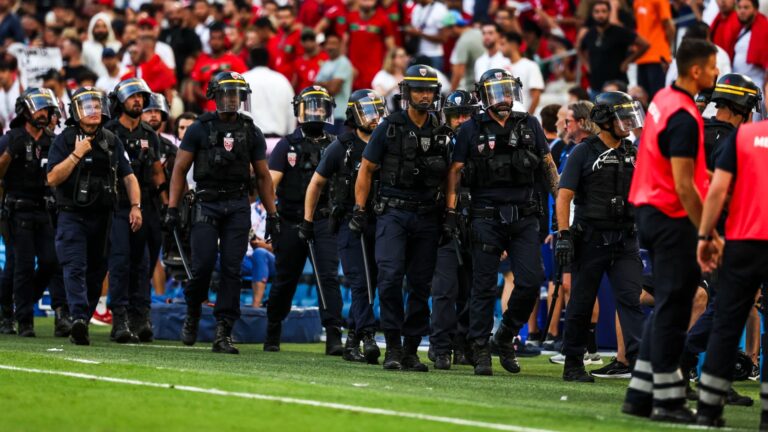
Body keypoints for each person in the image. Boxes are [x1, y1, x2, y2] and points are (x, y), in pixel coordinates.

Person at [622, 38, 719, 423]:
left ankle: (640, 394)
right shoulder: (682, 114)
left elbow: (681, 169)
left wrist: (714, 178)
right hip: (672, 216)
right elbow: (683, 185)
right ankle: (668, 401)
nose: (715, 73)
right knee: (674, 310)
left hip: (649, 210)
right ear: (696, 71)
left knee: (668, 307)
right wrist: (706, 231)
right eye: (712, 67)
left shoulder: (663, 99)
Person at [446, 69, 560, 376]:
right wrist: (452, 213)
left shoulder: (530, 124)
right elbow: (455, 172)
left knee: (531, 280)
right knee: (482, 286)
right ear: (483, 96)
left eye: (508, 91)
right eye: (497, 92)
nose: (504, 98)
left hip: (524, 215)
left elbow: (548, 165)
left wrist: (561, 210)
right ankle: (480, 348)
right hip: (484, 216)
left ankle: (506, 334)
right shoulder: (470, 129)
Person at [166, 71, 277, 354]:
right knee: (202, 265)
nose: (232, 100)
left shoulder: (251, 131)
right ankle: (193, 309)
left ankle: (224, 330)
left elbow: (263, 176)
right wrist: (172, 208)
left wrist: (273, 214)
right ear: (214, 96)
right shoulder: (199, 128)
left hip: (238, 204)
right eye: (227, 94)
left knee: (232, 268)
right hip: (206, 202)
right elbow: (179, 170)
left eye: (237, 95)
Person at [354, 64, 449, 372]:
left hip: (428, 214)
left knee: (421, 285)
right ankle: (393, 345)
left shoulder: (441, 131)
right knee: (390, 277)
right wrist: (359, 208)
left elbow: (451, 176)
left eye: (429, 90)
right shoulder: (389, 127)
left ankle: (411, 349)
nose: (424, 95)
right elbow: (366, 169)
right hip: (393, 212)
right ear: (407, 93)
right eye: (418, 89)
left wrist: (450, 212)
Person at [679, 73, 761, 405]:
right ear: (744, 106)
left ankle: (703, 372)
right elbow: (723, 192)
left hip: (688, 227)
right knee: (726, 307)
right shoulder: (736, 141)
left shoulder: (697, 132)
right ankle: (687, 363)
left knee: (721, 306)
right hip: (729, 233)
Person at [555, 91, 646, 383]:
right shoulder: (583, 151)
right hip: (590, 238)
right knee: (581, 303)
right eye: (624, 116)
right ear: (605, 119)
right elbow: (564, 195)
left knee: (631, 299)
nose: (630, 122)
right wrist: (564, 235)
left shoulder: (634, 152)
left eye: (632, 115)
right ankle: (573, 363)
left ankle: (639, 362)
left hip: (626, 238)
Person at [47, 87, 142, 346]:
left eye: (97, 105)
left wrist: (135, 205)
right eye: (88, 106)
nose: (94, 110)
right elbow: (52, 177)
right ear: (77, 112)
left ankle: (82, 320)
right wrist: (78, 153)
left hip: (104, 217)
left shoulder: (112, 139)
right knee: (75, 266)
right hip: (72, 215)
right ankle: (78, 317)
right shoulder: (65, 139)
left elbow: (129, 175)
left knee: (98, 271)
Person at [693, 118, 768, 427]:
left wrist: (705, 235)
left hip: (744, 241)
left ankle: (709, 410)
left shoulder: (744, 136)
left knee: (726, 323)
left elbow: (718, 190)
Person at [304, 89, 388, 363]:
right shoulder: (341, 146)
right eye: (368, 111)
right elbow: (316, 183)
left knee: (373, 281)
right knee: (359, 281)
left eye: (377, 110)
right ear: (354, 115)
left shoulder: (388, 143)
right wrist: (307, 220)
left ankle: (352, 339)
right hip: (348, 223)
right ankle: (366, 335)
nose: (374, 117)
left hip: (381, 220)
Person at [265, 86, 344, 356]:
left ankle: (333, 334)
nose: (315, 112)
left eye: (320, 106)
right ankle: (273, 328)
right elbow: (271, 182)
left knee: (328, 277)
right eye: (310, 106)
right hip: (291, 218)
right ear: (299, 109)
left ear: (328, 110)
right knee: (286, 278)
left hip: (324, 218)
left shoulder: (336, 142)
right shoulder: (287, 144)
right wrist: (270, 215)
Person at [0, 88, 69, 338]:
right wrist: (10, 153)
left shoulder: (52, 141)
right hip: (16, 209)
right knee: (21, 265)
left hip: (44, 209)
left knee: (51, 261)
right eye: (38, 108)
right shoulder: (11, 139)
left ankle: (23, 302)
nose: (43, 113)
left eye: (46, 109)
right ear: (25, 111)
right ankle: (22, 319)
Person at [103, 78, 166, 344]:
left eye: (141, 96)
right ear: (120, 101)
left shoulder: (150, 135)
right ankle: (119, 318)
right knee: (120, 261)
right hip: (116, 205)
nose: (138, 100)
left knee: (143, 263)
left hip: (148, 206)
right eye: (132, 96)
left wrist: (168, 207)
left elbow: (156, 172)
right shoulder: (108, 131)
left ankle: (141, 316)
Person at [429, 89, 478, 369]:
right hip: (443, 220)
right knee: (444, 287)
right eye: (455, 115)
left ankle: (464, 343)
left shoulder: (484, 143)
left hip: (478, 218)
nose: (460, 120)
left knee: (473, 288)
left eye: (466, 114)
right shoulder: (436, 143)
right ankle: (441, 344)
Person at [141, 92, 174, 301]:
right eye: (148, 111)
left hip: (158, 207)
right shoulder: (124, 138)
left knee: (154, 256)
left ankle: (158, 301)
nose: (153, 116)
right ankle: (104, 307)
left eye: (157, 111)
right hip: (131, 205)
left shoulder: (171, 148)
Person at [579, 0, 649, 95]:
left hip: (617, 85)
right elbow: (580, 49)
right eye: (597, 12)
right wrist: (587, 65)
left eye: (604, 11)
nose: (600, 15)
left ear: (609, 12)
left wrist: (628, 61)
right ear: (592, 14)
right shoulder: (590, 33)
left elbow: (645, 44)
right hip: (596, 86)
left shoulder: (619, 31)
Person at [340, 0, 395, 90]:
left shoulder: (383, 18)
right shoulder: (350, 17)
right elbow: (344, 43)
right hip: (354, 71)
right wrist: (345, 65)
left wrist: (385, 69)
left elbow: (391, 48)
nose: (367, 2)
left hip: (375, 71)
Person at [242, 48, 296, 138]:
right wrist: (290, 140)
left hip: (251, 141)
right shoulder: (281, 80)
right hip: (278, 142)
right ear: (268, 60)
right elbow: (292, 110)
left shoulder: (244, 79)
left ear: (250, 60)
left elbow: (239, 110)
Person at [633, 0, 675, 99]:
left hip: (657, 57)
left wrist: (667, 48)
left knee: (658, 97)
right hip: (642, 57)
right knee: (643, 99)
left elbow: (669, 25)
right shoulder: (637, 2)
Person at [314, 34, 353, 134]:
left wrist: (323, 84)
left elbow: (333, 89)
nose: (331, 47)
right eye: (328, 44)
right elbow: (315, 87)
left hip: (340, 116)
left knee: (338, 148)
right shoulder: (325, 64)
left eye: (334, 44)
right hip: (326, 116)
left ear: (340, 45)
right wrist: (329, 83)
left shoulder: (343, 62)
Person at [499, 32, 545, 114]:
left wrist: (528, 118)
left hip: (523, 114)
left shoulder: (531, 66)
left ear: (513, 45)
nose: (500, 48)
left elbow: (536, 96)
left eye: (503, 44)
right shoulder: (502, 67)